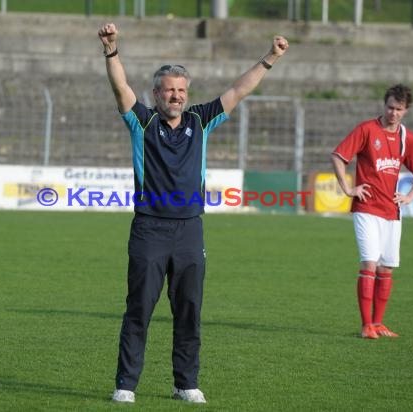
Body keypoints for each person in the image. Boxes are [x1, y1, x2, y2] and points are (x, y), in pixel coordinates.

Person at [97, 22, 289, 403]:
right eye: (169, 90)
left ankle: (185, 383)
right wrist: (112, 49)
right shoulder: (142, 121)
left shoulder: (201, 120)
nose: (176, 96)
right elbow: (120, 88)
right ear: (156, 93)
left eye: (181, 90)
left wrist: (271, 57)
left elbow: (238, 91)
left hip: (189, 231)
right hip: (149, 229)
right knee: (139, 308)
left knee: (189, 311)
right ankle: (126, 384)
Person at [330, 84, 413, 340]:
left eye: (398, 109)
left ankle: (379, 323)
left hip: (392, 211)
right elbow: (338, 156)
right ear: (383, 105)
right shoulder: (367, 129)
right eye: (389, 107)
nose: (393, 113)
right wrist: (348, 188)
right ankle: (366, 326)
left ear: (406, 110)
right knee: (369, 264)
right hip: (366, 208)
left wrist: (409, 196)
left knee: (386, 269)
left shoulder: (406, 138)